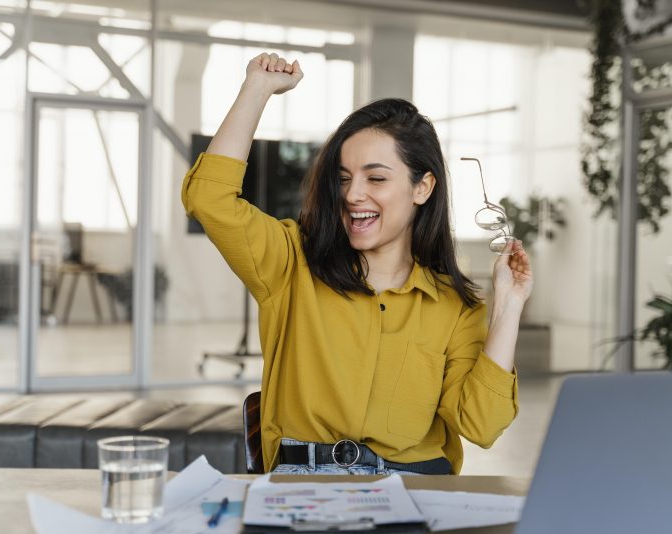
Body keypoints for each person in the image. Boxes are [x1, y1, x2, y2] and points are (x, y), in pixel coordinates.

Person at [182, 53, 533, 475]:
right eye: (344, 177)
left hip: (414, 484)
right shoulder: (291, 262)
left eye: (376, 178)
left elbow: (481, 425)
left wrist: (508, 307)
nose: (352, 194)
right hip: (305, 482)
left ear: (422, 187)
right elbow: (209, 200)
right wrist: (256, 89)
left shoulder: (455, 307)